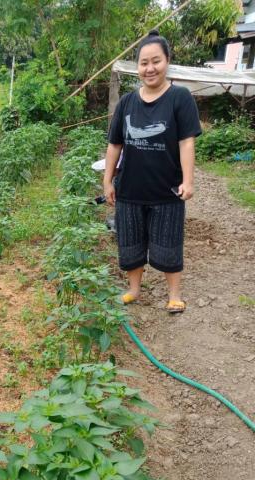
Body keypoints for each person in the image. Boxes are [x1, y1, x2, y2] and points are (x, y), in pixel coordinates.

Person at [103, 29, 202, 313]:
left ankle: (174, 295)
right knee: (130, 243)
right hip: (130, 189)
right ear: (138, 67)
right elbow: (114, 145)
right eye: (144, 63)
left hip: (167, 190)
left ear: (167, 61)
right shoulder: (126, 102)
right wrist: (108, 180)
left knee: (169, 243)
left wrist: (188, 181)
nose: (150, 68)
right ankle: (134, 290)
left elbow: (186, 142)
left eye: (156, 61)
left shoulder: (180, 98)